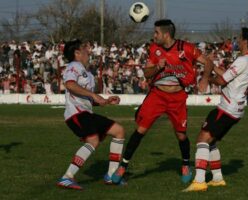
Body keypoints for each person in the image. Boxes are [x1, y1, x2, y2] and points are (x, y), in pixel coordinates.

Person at [111, 19, 214, 184]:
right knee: (141, 130)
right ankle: (123, 166)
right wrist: (157, 66)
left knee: (181, 135)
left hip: (177, 98)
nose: (154, 36)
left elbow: (208, 61)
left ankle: (186, 165)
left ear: (166, 35)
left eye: (156, 33)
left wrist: (205, 80)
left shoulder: (186, 48)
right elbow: (147, 73)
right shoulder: (154, 49)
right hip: (157, 95)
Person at [183, 27, 248, 192]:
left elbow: (221, 81)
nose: (237, 40)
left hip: (227, 107)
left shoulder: (242, 60)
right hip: (235, 109)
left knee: (202, 140)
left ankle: (199, 181)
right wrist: (208, 65)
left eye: (240, 38)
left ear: (245, 41)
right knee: (211, 141)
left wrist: (206, 76)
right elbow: (228, 75)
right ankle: (217, 179)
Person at [57, 39, 126, 190]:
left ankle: (111, 175)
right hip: (76, 113)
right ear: (77, 53)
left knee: (118, 131)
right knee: (93, 140)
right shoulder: (73, 66)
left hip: (85, 112)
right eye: (84, 48)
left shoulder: (87, 74)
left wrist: (105, 101)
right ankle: (67, 177)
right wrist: (94, 96)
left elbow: (87, 98)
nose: (88, 50)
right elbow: (70, 85)